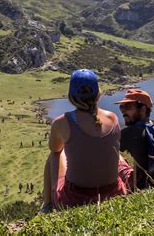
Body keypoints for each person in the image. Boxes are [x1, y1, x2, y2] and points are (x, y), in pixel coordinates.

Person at [40, 69, 130, 213]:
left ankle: (47, 204)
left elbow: (54, 148)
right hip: (113, 194)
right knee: (114, 153)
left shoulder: (62, 122)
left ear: (71, 96)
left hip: (74, 200)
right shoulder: (113, 118)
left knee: (54, 154)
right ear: (98, 93)